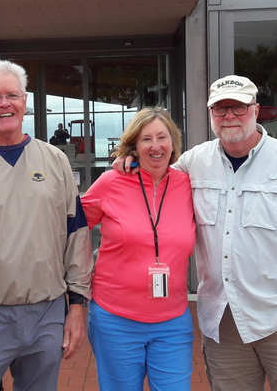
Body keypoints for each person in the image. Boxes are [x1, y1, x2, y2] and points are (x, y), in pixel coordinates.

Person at [114, 75, 277, 391]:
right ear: (211, 114)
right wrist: (131, 158)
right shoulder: (193, 162)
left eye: (238, 107)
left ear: (256, 110)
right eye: (220, 109)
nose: (229, 116)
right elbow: (155, 178)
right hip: (223, 320)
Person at [0, 60, 94, 391]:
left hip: (46, 312)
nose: (4, 103)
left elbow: (77, 237)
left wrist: (78, 307)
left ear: (25, 101)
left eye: (12, 95)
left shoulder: (55, 161)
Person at [81, 107, 195, 390]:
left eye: (162, 137)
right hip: (115, 319)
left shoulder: (189, 184)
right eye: (146, 139)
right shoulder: (111, 182)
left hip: (173, 320)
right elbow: (72, 228)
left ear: (173, 142)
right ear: (134, 145)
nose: (156, 146)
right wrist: (78, 280)